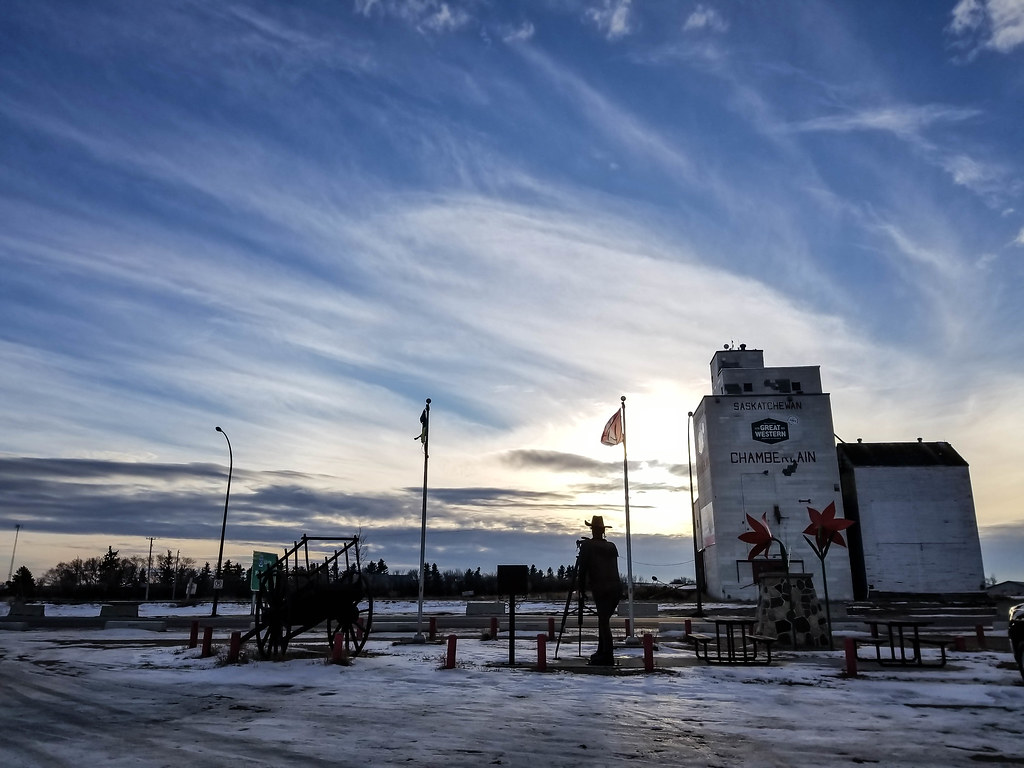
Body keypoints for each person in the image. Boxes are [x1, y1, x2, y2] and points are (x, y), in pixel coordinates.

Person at [577, 515, 622, 665]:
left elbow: (582, 571)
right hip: (615, 588)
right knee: (604, 620)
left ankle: (607, 655)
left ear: (592, 530)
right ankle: (601, 651)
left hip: (602, 588)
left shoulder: (588, 546)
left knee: (603, 622)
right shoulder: (611, 546)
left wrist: (580, 589)